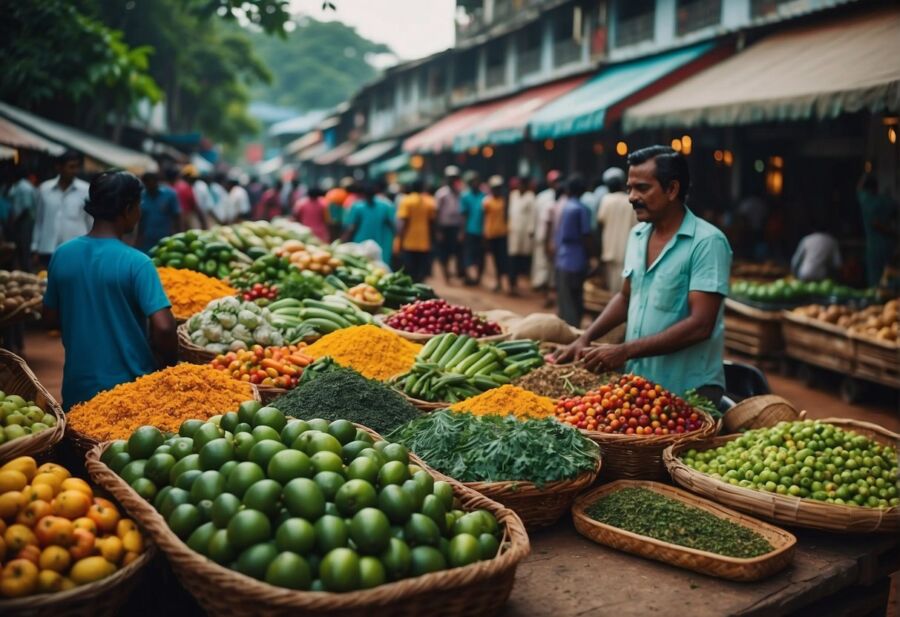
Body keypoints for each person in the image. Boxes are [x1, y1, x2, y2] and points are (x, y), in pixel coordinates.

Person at [555, 146, 733, 404]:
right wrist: (586, 337)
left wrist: (625, 351)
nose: (631, 197)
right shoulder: (638, 236)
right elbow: (626, 297)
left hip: (689, 392)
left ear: (672, 189)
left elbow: (701, 325)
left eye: (642, 188)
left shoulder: (707, 243)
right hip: (641, 385)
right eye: (629, 188)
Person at [42, 171, 177, 410]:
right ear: (128, 209)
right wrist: (170, 364)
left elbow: (50, 317)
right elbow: (164, 327)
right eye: (138, 206)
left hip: (78, 391)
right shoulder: (138, 263)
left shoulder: (62, 254)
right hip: (129, 393)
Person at [31, 150, 91, 268]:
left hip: (74, 250)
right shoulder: (44, 189)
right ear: (59, 167)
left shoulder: (85, 190)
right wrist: (34, 247)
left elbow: (90, 221)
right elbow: (39, 220)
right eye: (71, 167)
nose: (75, 171)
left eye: (76, 167)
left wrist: (89, 248)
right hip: (47, 249)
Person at [554, 175, 593, 327]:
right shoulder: (581, 209)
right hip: (577, 259)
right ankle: (573, 328)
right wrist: (592, 256)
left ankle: (564, 327)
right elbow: (586, 235)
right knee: (576, 298)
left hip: (562, 257)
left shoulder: (564, 206)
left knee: (565, 297)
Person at [596, 167, 636, 293]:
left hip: (609, 248)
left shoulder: (606, 200)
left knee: (613, 287)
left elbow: (600, 222)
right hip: (627, 249)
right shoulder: (630, 201)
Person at [857, 174, 896, 286]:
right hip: (889, 245)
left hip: (874, 247)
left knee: (876, 280)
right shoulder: (886, 200)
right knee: (890, 277)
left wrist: (867, 173)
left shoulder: (866, 200)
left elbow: (859, 189)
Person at [342, 183, 395, 264]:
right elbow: (392, 225)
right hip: (381, 242)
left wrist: (344, 239)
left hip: (362, 242)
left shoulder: (357, 206)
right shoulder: (385, 205)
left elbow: (352, 227)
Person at [396, 180, 437, 283]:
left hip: (409, 241)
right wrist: (432, 239)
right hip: (424, 241)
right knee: (421, 270)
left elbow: (404, 222)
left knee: (409, 270)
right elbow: (432, 222)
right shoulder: (429, 202)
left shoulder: (406, 201)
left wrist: (399, 239)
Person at [532, 170, 561, 303]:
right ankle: (544, 291)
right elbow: (535, 216)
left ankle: (550, 292)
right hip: (542, 235)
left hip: (554, 237)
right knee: (542, 264)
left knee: (552, 267)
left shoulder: (560, 197)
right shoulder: (542, 197)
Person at [434, 166, 464, 283]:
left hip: (456, 226)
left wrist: (461, 230)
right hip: (444, 227)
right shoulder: (441, 194)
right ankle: (446, 274)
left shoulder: (460, 193)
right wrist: (438, 231)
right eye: (451, 178)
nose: (453, 180)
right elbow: (437, 213)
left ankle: (458, 272)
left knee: (457, 251)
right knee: (444, 252)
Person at [136, 171, 180, 252]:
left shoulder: (170, 194)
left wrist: (177, 234)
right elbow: (140, 220)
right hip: (147, 239)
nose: (150, 186)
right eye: (147, 184)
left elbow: (177, 216)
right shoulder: (141, 197)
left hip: (166, 237)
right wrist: (138, 239)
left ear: (157, 182)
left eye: (152, 183)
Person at [482, 175, 510, 293]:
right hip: (491, 234)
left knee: (502, 259)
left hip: (502, 234)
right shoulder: (487, 202)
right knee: (493, 259)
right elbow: (484, 218)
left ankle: (503, 281)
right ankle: (497, 280)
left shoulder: (504, 201)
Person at [507, 177, 536, 292]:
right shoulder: (513, 195)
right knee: (512, 257)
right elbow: (510, 212)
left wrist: (531, 230)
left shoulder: (530, 197)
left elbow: (533, 215)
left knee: (523, 257)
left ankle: (520, 280)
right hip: (513, 230)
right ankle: (512, 282)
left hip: (525, 232)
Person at [6, 168, 38, 271]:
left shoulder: (23, 187)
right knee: (21, 247)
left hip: (25, 221)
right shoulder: (22, 186)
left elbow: (26, 207)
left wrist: (15, 220)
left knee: (24, 247)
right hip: (23, 220)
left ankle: (27, 270)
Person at [460, 173, 486, 286]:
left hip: (482, 231)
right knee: (468, 255)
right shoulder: (465, 196)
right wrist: (462, 231)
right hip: (470, 230)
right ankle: (468, 276)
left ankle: (478, 278)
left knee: (481, 256)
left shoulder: (485, 197)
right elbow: (464, 215)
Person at [172, 166, 207, 230]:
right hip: (185, 219)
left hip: (177, 220)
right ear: (187, 177)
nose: (194, 181)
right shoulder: (186, 187)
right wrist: (203, 222)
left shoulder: (176, 185)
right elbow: (195, 206)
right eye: (193, 179)